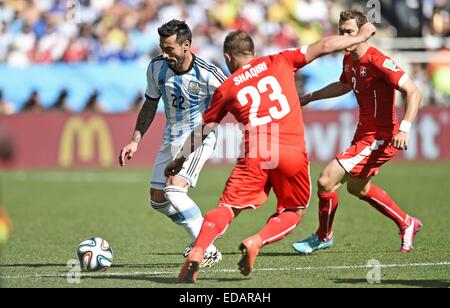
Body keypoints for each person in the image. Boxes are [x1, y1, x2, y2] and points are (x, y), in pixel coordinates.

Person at [166, 21, 377, 283]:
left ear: (228, 58)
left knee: (228, 208)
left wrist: (178, 160)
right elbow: (324, 46)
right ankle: (257, 240)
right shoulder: (280, 60)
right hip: (291, 150)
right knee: (293, 210)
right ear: (252, 52)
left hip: (257, 150)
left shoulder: (227, 87)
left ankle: (199, 250)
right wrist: (361, 36)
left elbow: (204, 129)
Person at [292, 10, 423, 255]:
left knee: (325, 180)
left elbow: (414, 92)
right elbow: (343, 84)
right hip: (363, 134)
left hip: (380, 137)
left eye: (350, 32)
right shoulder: (349, 59)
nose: (344, 36)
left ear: (362, 33)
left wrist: (404, 128)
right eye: (341, 31)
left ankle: (323, 236)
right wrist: (311, 97)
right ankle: (407, 222)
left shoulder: (377, 60)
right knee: (357, 188)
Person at [119, 20, 227, 268]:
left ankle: (205, 245)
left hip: (199, 136)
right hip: (171, 137)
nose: (165, 54)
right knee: (158, 200)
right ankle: (205, 230)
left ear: (186, 45)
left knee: (174, 189)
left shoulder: (207, 73)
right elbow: (150, 103)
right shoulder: (156, 68)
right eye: (162, 48)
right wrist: (135, 140)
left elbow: (234, 96)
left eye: (170, 49)